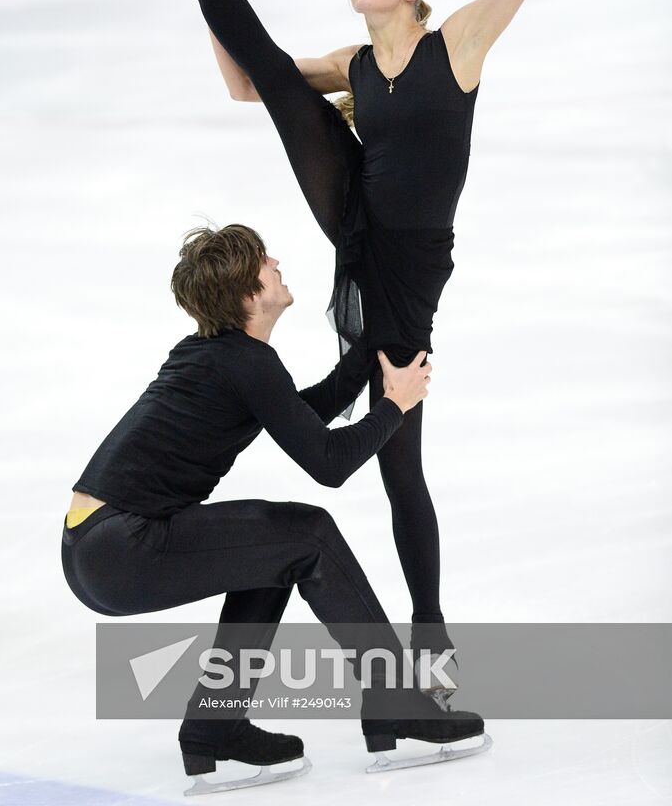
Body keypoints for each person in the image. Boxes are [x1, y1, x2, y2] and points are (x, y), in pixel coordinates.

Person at [113, 0, 664, 695]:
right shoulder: (354, 64)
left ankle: (429, 626)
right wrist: (203, 9)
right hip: (355, 221)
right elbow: (247, 84)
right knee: (286, 89)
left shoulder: (462, 42)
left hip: (404, 269)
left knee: (402, 466)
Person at [62, 222, 488, 791]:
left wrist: (367, 355)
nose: (277, 263)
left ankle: (215, 726)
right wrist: (395, 406)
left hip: (97, 548)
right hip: (125, 545)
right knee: (307, 533)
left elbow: (298, 417)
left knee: (275, 551)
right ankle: (394, 701)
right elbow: (330, 464)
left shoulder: (221, 356)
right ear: (247, 294)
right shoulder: (243, 363)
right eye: (265, 262)